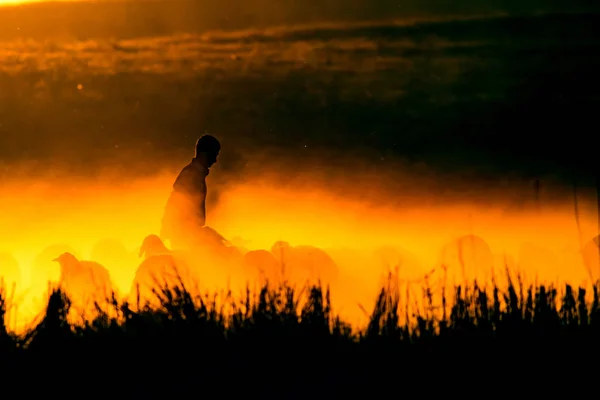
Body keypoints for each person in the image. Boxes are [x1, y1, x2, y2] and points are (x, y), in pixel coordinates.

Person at [160, 135, 221, 250]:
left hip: (189, 236)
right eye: (214, 154)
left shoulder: (195, 174)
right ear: (205, 153)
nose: (215, 160)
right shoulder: (191, 175)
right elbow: (176, 202)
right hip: (185, 239)